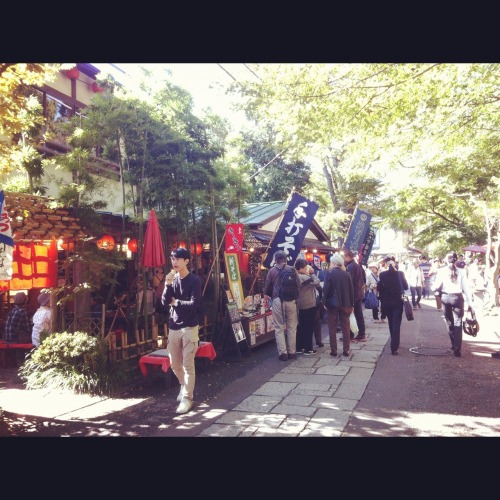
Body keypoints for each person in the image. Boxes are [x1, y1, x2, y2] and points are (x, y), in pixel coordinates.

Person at [161, 247, 202, 414]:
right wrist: (167, 284)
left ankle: (187, 398)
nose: (174, 262)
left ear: (186, 261)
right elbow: (164, 302)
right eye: (172, 259)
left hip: (190, 327)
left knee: (187, 365)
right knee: (174, 364)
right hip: (174, 326)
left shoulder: (194, 280)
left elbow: (194, 304)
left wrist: (176, 302)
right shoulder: (172, 279)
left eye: (178, 259)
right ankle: (183, 386)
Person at [431, 251, 473, 358]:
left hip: (445, 298)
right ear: (456, 260)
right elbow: (466, 288)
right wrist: (470, 303)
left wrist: (432, 287)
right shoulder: (462, 272)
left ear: (446, 259)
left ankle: (453, 343)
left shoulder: (441, 271)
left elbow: (435, 286)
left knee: (449, 322)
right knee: (458, 322)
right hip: (458, 298)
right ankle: (457, 348)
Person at [264, 250, 300, 361]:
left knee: (279, 327)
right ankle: (292, 352)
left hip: (278, 300)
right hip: (291, 300)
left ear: (275, 260)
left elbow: (267, 287)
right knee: (292, 327)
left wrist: (266, 295)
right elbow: (298, 284)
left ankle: (283, 353)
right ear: (285, 259)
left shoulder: (272, 271)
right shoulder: (292, 270)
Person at [322, 253, 354, 357]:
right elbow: (351, 290)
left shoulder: (329, 273)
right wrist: (352, 304)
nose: (330, 264)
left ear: (334, 263)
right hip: (345, 303)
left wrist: (324, 302)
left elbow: (326, 289)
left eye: (331, 262)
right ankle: (346, 349)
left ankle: (334, 350)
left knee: (332, 327)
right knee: (345, 326)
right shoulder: (347, 274)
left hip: (332, 304)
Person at [377, 259, 409, 355]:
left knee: (391, 322)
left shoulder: (382, 275)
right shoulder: (400, 274)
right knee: (396, 323)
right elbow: (406, 287)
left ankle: (393, 340)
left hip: (386, 302)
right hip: (397, 302)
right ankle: (394, 346)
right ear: (395, 265)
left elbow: (379, 288)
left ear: (386, 265)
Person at [294, 259, 321, 355]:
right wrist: (312, 273)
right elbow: (317, 282)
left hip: (300, 305)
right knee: (309, 327)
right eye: (305, 267)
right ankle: (308, 349)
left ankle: (299, 347)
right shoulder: (304, 277)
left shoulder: (295, 276)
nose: (306, 269)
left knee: (301, 327)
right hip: (308, 305)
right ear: (300, 268)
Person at [342, 248, 366, 341]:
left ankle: (356, 334)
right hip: (357, 293)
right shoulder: (354, 265)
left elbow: (349, 281)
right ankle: (355, 334)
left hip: (354, 294)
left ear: (347, 256)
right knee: (357, 314)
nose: (343, 259)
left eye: (344, 257)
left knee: (354, 314)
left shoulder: (351, 266)